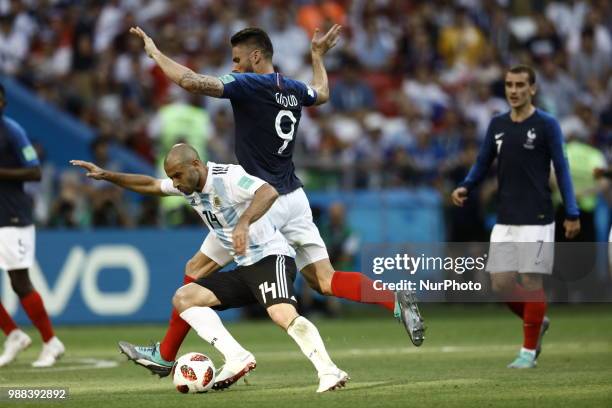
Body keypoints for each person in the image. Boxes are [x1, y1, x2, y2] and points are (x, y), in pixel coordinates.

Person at [125, 24, 424, 375]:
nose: (233, 67)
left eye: (237, 60)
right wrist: (317, 56)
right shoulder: (293, 88)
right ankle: (392, 298)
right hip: (294, 196)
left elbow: (190, 81)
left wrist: (155, 54)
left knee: (196, 271)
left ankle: (166, 354)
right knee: (324, 280)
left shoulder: (250, 85)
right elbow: (323, 92)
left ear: (255, 57)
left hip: (260, 201)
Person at [71, 144, 349, 392]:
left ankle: (329, 370)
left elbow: (268, 191)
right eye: (171, 177)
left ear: (196, 165)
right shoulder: (187, 186)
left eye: (177, 175)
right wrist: (108, 176)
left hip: (271, 258)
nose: (174, 183)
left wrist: (244, 222)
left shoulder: (227, 178)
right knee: (184, 297)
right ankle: (237, 357)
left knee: (281, 314)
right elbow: (151, 185)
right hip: (244, 267)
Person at [451, 65, 580, 369]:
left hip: (538, 217)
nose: (514, 90)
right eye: (509, 84)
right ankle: (537, 320)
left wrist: (571, 211)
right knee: (500, 284)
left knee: (532, 281)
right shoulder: (497, 124)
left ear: (532, 89)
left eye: (521, 84)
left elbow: (562, 168)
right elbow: (483, 162)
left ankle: (527, 353)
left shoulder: (547, 124)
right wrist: (466, 186)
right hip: (506, 217)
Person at [0, 84, 65, 367]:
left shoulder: (12, 131)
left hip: (13, 216)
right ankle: (13, 334)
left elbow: (35, 171)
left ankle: (51, 341)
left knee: (20, 282)